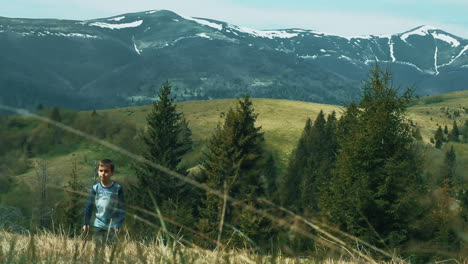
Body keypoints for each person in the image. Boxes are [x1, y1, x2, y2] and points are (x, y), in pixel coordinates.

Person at [83, 159, 125, 245]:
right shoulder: (95, 188)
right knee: (98, 250)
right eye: (100, 171)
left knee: (110, 250)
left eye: (106, 171)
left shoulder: (117, 188)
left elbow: (121, 208)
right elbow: (89, 206)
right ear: (97, 172)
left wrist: (119, 223)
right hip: (99, 224)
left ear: (112, 173)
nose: (103, 173)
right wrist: (86, 222)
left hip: (112, 226)